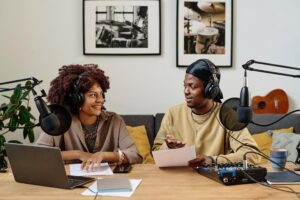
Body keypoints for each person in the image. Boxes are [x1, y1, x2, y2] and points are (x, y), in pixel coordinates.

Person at [152, 59, 260, 166]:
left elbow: (253, 154)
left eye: (192, 86)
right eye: (184, 86)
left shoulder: (227, 115)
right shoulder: (173, 113)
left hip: (215, 181)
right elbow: (155, 153)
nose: (186, 91)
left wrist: (212, 160)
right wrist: (168, 147)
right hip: (180, 178)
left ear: (210, 89)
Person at [36, 64, 142, 169]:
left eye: (101, 94)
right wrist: (78, 154)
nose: (100, 100)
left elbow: (135, 156)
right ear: (77, 99)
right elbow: (39, 154)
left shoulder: (114, 120)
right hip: (71, 181)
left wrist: (104, 155)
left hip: (107, 181)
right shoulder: (59, 120)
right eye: (93, 95)